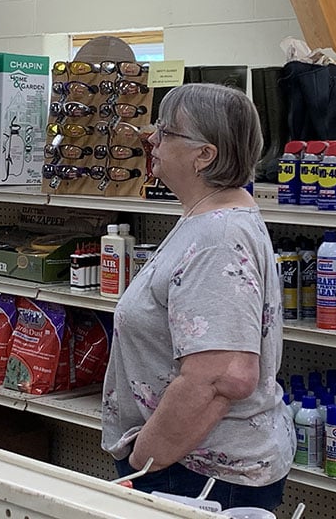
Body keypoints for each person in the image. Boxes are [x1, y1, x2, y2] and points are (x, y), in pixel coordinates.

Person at [101, 83, 295, 511]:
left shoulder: (218, 238)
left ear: (203, 155)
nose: (151, 138)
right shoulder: (206, 219)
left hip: (198, 473)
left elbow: (222, 376)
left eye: (166, 132)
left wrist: (144, 459)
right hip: (186, 463)